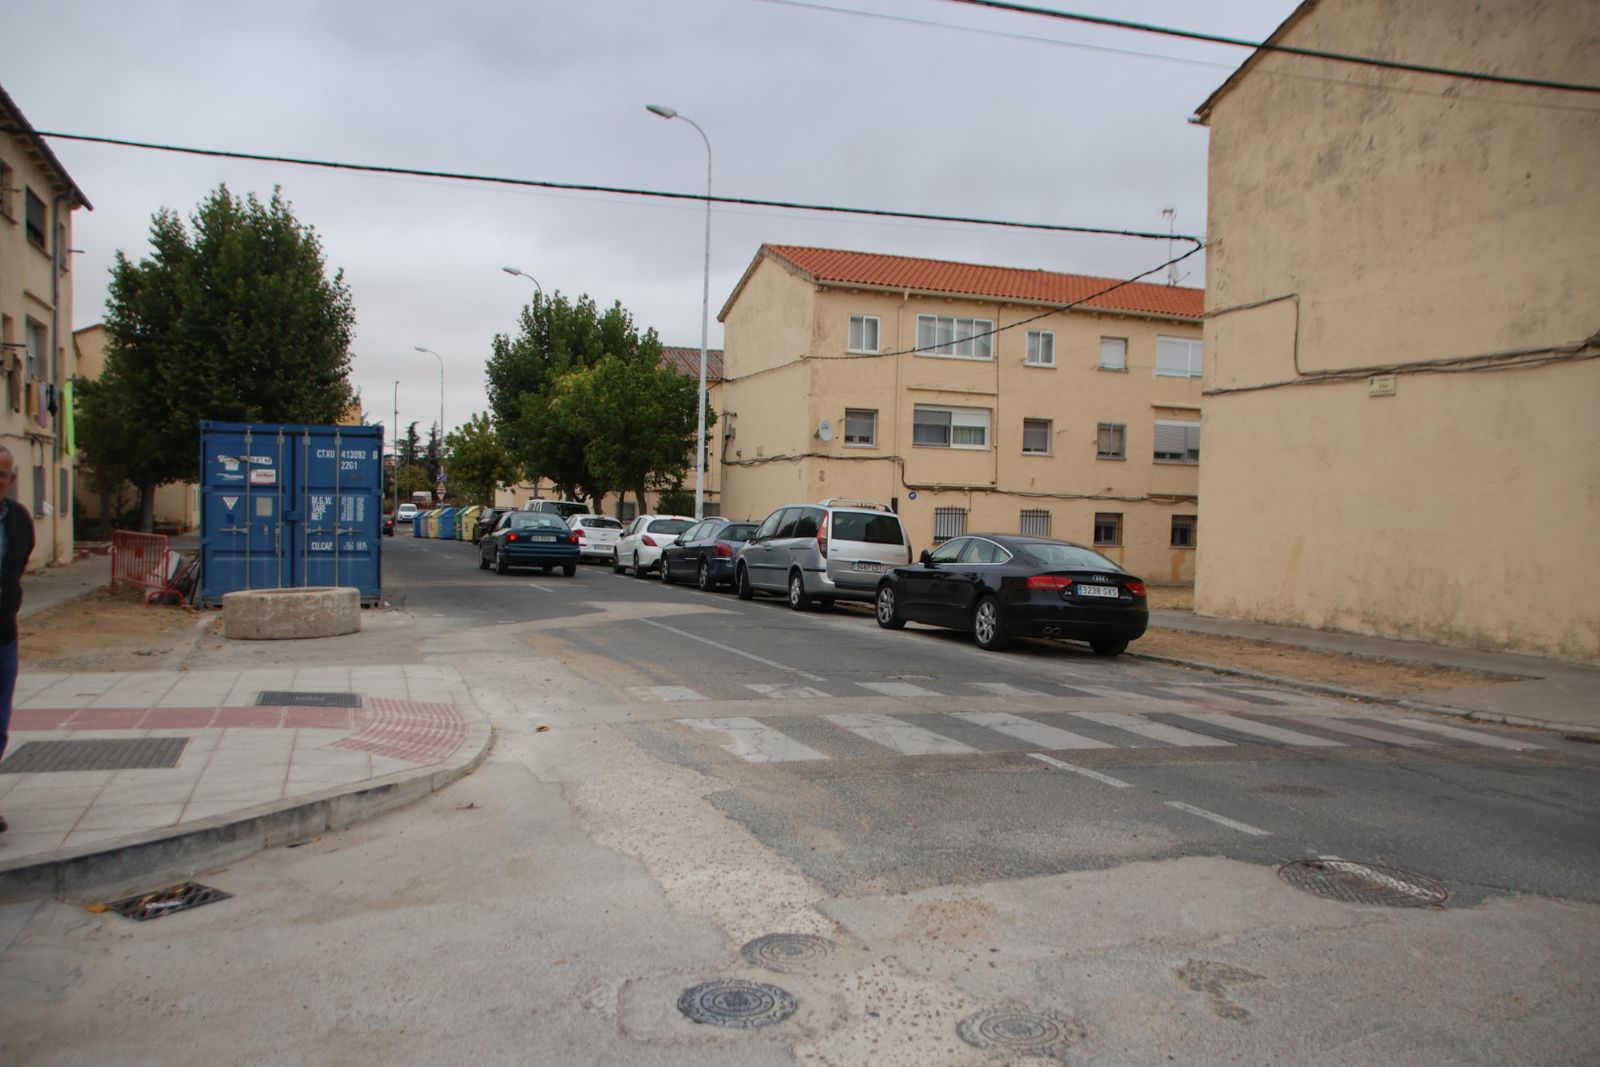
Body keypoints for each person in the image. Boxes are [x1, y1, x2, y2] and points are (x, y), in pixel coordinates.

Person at [0, 445, 34, 833]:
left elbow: (20, 562)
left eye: (2, 475)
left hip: (3, 635)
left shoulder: (18, 520)